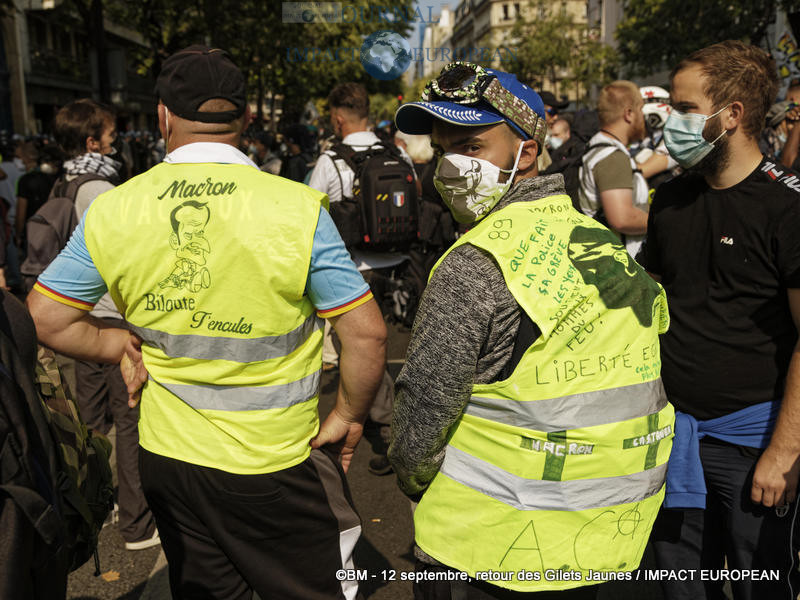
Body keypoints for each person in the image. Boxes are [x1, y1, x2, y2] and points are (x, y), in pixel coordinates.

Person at [27, 45, 387, 599]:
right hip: (273, 463)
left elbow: (46, 318)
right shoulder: (295, 206)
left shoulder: (116, 207)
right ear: (246, 119)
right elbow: (366, 333)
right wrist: (349, 413)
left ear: (163, 117)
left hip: (167, 460)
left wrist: (118, 345)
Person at [390, 60, 673, 599]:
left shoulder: (476, 261)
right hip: (606, 535)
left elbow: (422, 418)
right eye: (442, 147)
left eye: (471, 147)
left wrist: (420, 481)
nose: (450, 164)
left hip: (490, 546)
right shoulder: (597, 242)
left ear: (525, 151)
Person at [647, 40, 800, 600]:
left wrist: (784, 453)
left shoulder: (787, 208)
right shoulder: (670, 201)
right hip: (674, 439)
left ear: (730, 114)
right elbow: (655, 301)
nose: (671, 120)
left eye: (685, 109)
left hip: (755, 445)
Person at [36, 99, 159, 552]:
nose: (116, 142)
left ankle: (96, 503)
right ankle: (137, 525)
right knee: (128, 421)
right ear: (93, 141)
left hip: (74, 319)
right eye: (111, 136)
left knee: (88, 422)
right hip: (109, 320)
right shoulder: (100, 190)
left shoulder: (62, 182)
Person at [308, 82, 414, 476]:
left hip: (356, 268)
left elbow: (310, 211)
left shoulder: (330, 160)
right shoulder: (395, 152)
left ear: (338, 118)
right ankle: (392, 416)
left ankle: (391, 431)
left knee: (362, 348)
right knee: (388, 347)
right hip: (402, 263)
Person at [578, 80, 650, 260]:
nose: (643, 117)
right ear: (629, 114)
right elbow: (622, 218)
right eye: (641, 109)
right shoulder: (612, 156)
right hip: (621, 266)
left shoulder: (597, 147)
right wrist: (667, 221)